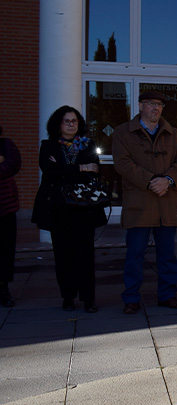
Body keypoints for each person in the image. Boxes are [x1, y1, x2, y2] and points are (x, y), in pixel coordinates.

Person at [113, 91, 177, 314]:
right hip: (139, 204)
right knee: (135, 254)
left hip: (166, 204)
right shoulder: (122, 133)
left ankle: (168, 295)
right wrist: (150, 181)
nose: (155, 108)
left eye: (159, 105)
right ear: (140, 106)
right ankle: (131, 298)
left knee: (167, 255)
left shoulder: (173, 134)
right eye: (150, 104)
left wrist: (167, 180)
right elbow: (122, 163)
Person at [31, 106, 107, 312]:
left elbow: (94, 171)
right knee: (63, 255)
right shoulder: (49, 147)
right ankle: (68, 296)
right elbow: (50, 170)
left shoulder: (87, 144)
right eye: (67, 121)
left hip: (84, 209)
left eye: (74, 121)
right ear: (58, 124)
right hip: (58, 209)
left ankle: (88, 299)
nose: (71, 124)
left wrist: (69, 171)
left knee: (85, 255)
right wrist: (81, 168)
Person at [0, 124, 22, 307]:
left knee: (5, 250)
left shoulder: (5, 144)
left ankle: (3, 290)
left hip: (5, 207)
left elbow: (12, 164)